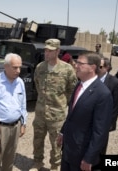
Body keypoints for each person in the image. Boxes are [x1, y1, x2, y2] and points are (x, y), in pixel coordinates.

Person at [58, 51, 113, 171]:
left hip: (82, 153)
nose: (76, 65)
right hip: (68, 148)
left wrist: (89, 158)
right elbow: (71, 114)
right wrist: (63, 132)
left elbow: (100, 131)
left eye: (80, 63)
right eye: (76, 62)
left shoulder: (103, 94)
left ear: (92, 67)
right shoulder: (79, 85)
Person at [30, 38, 78, 171]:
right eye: (45, 50)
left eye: (50, 51)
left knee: (56, 142)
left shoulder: (67, 69)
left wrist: (60, 102)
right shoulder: (40, 67)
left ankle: (55, 165)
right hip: (40, 112)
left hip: (57, 114)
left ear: (58, 51)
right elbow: (38, 85)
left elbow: (71, 90)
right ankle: (37, 162)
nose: (47, 53)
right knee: (38, 139)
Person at [0, 53, 28, 171]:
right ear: (6, 66)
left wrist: (23, 124)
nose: (18, 70)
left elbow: (23, 104)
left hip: (15, 126)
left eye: (20, 67)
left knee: (10, 158)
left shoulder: (20, 82)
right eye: (15, 67)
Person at [92, 56, 118, 170]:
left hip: (103, 123)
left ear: (107, 68)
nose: (97, 68)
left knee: (100, 147)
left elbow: (115, 107)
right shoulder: (91, 79)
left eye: (100, 66)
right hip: (89, 120)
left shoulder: (115, 83)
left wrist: (109, 124)